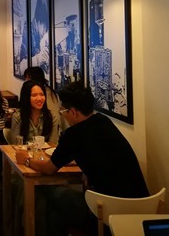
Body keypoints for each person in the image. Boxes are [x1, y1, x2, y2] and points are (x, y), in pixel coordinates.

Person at [15, 81, 149, 236]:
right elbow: (101, 154)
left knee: (52, 194)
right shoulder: (104, 121)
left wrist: (26, 159)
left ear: (73, 112)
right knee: (59, 208)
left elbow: (48, 169)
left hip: (106, 215)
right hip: (142, 211)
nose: (62, 115)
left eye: (63, 111)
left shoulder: (73, 135)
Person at [9, 79, 60, 146]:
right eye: (34, 95)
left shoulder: (52, 116)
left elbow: (53, 143)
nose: (39, 99)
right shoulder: (18, 116)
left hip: (46, 151)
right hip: (24, 151)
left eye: (42, 94)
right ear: (26, 97)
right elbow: (16, 144)